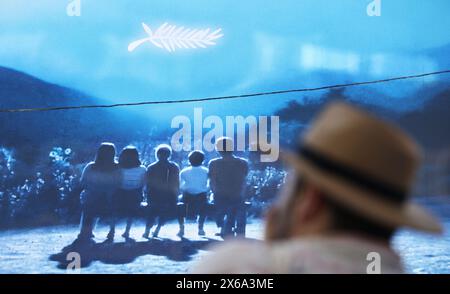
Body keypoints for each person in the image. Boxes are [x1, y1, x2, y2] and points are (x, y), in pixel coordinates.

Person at [192, 102, 442, 274]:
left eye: (287, 192)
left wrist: (274, 249)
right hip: (236, 196)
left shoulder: (236, 263)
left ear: (311, 201)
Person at [77, 143, 120, 242]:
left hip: (92, 198)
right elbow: (118, 183)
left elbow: (83, 182)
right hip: (109, 199)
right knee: (105, 198)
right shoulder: (117, 167)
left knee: (89, 199)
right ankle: (111, 231)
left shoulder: (91, 166)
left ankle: (86, 230)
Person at [209, 137, 249, 237]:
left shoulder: (213, 163)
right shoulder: (243, 162)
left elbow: (212, 182)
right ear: (232, 148)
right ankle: (229, 227)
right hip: (238, 195)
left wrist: (214, 193)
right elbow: (244, 180)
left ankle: (224, 226)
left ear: (218, 149)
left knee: (219, 204)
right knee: (235, 204)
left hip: (220, 195)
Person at [143, 144, 184, 238]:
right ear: (169, 155)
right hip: (170, 198)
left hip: (154, 198)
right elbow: (177, 184)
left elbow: (148, 185)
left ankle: (147, 231)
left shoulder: (151, 167)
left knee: (152, 210)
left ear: (157, 154)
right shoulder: (174, 166)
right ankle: (158, 229)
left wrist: (147, 196)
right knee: (170, 207)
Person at [108, 146, 146, 241]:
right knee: (131, 212)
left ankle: (112, 231)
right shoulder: (142, 169)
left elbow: (115, 182)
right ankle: (127, 231)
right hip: (135, 194)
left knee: (114, 211)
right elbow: (142, 183)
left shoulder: (118, 167)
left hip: (120, 193)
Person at [180, 150, 209, 236]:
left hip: (187, 195)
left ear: (189, 160)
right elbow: (209, 184)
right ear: (202, 160)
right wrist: (205, 189)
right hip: (201, 195)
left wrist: (186, 189)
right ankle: (201, 228)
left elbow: (180, 186)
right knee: (203, 209)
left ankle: (181, 228)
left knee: (180, 207)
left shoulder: (184, 171)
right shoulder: (206, 171)